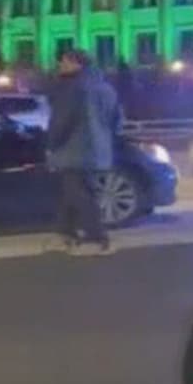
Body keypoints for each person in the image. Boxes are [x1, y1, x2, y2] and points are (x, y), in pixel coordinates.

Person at [45, 49, 123, 256]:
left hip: (73, 148)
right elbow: (117, 121)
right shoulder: (105, 88)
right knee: (74, 191)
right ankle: (64, 234)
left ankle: (96, 237)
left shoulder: (72, 87)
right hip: (97, 149)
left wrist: (51, 143)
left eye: (64, 62)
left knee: (78, 194)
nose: (60, 66)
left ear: (76, 64)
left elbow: (62, 120)